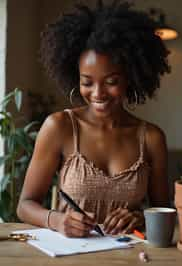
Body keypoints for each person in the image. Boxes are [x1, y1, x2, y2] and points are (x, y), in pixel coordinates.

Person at [17, 0, 170, 238]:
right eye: (87, 82)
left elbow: (164, 210)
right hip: (69, 256)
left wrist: (139, 217)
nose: (97, 93)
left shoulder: (151, 138)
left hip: (130, 256)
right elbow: (25, 205)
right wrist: (57, 220)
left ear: (130, 77)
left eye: (111, 82)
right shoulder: (59, 127)